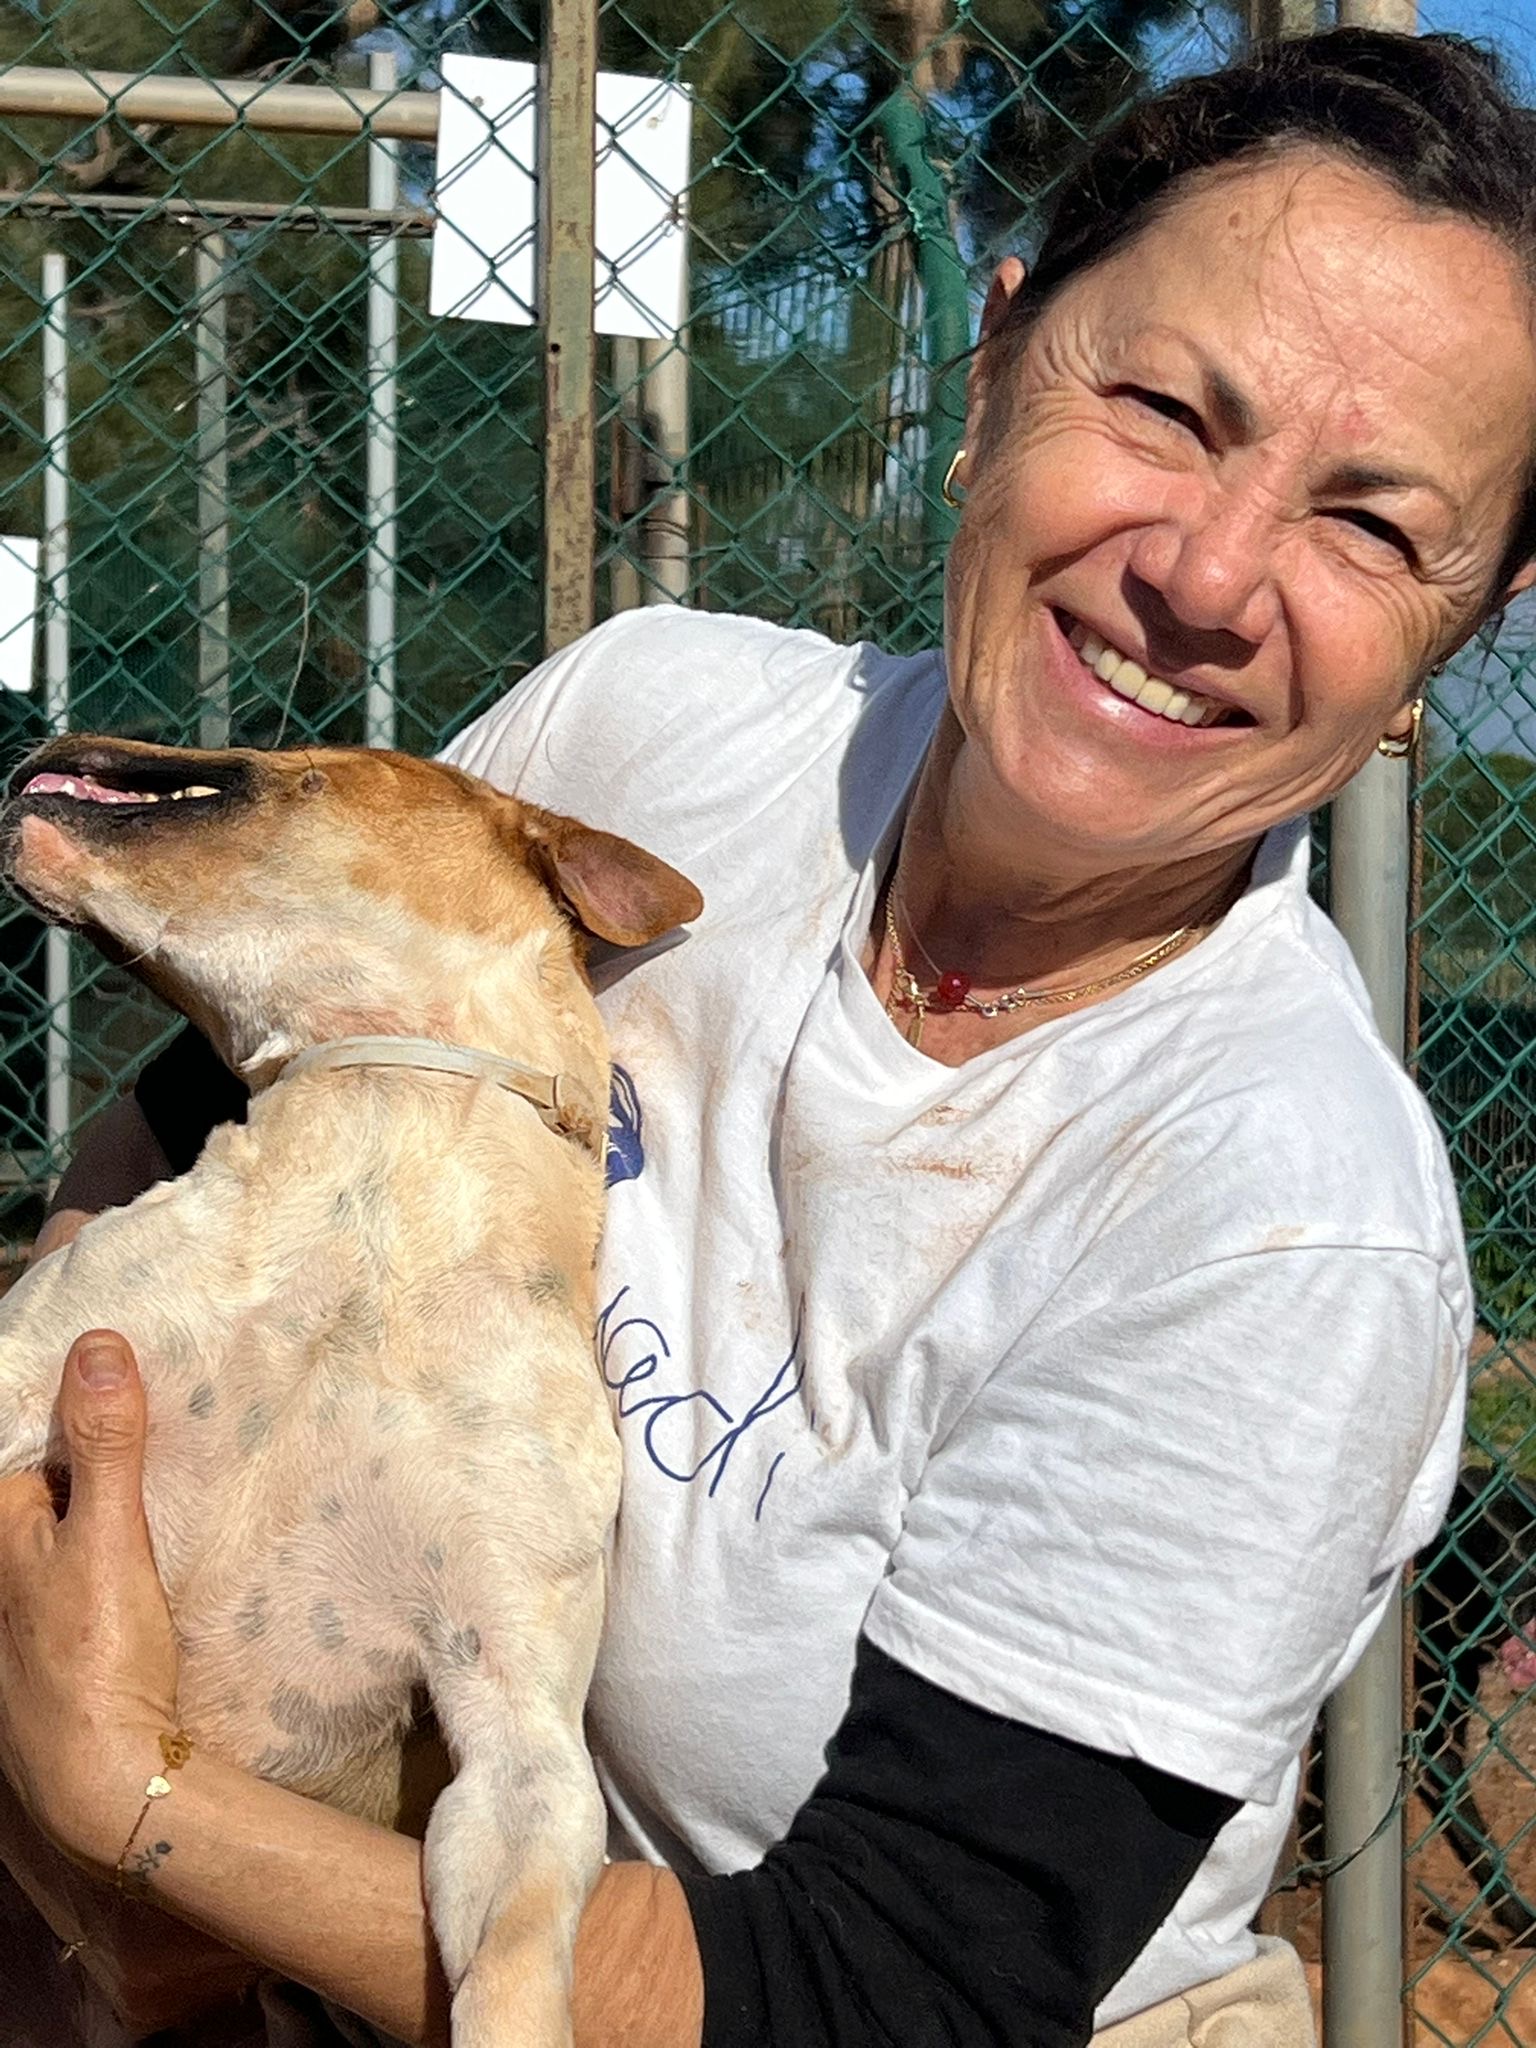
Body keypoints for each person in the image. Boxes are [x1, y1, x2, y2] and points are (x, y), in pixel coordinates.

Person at [2, 25, 1534, 2048]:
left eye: (1371, 526)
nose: (1208, 575)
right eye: (1166, 409)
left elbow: (884, 1990)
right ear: (993, 372)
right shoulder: (656, 734)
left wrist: (133, 1799)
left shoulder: (1281, 1224)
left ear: (1456, 634)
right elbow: (189, 1131)